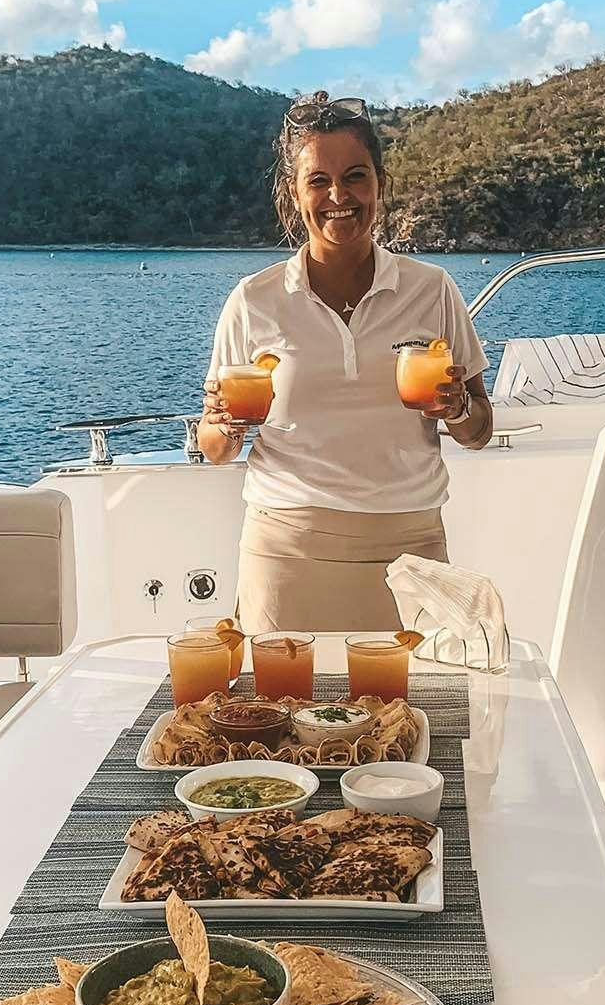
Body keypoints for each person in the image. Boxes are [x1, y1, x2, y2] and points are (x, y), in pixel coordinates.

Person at [200, 91, 493, 634]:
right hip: (286, 551)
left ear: (379, 182)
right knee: (281, 713)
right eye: (319, 181)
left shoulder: (431, 290)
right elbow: (213, 448)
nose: (339, 196)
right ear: (295, 193)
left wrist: (455, 410)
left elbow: (479, 429)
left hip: (413, 548)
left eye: (356, 176)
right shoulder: (254, 300)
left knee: (415, 713)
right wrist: (223, 427)